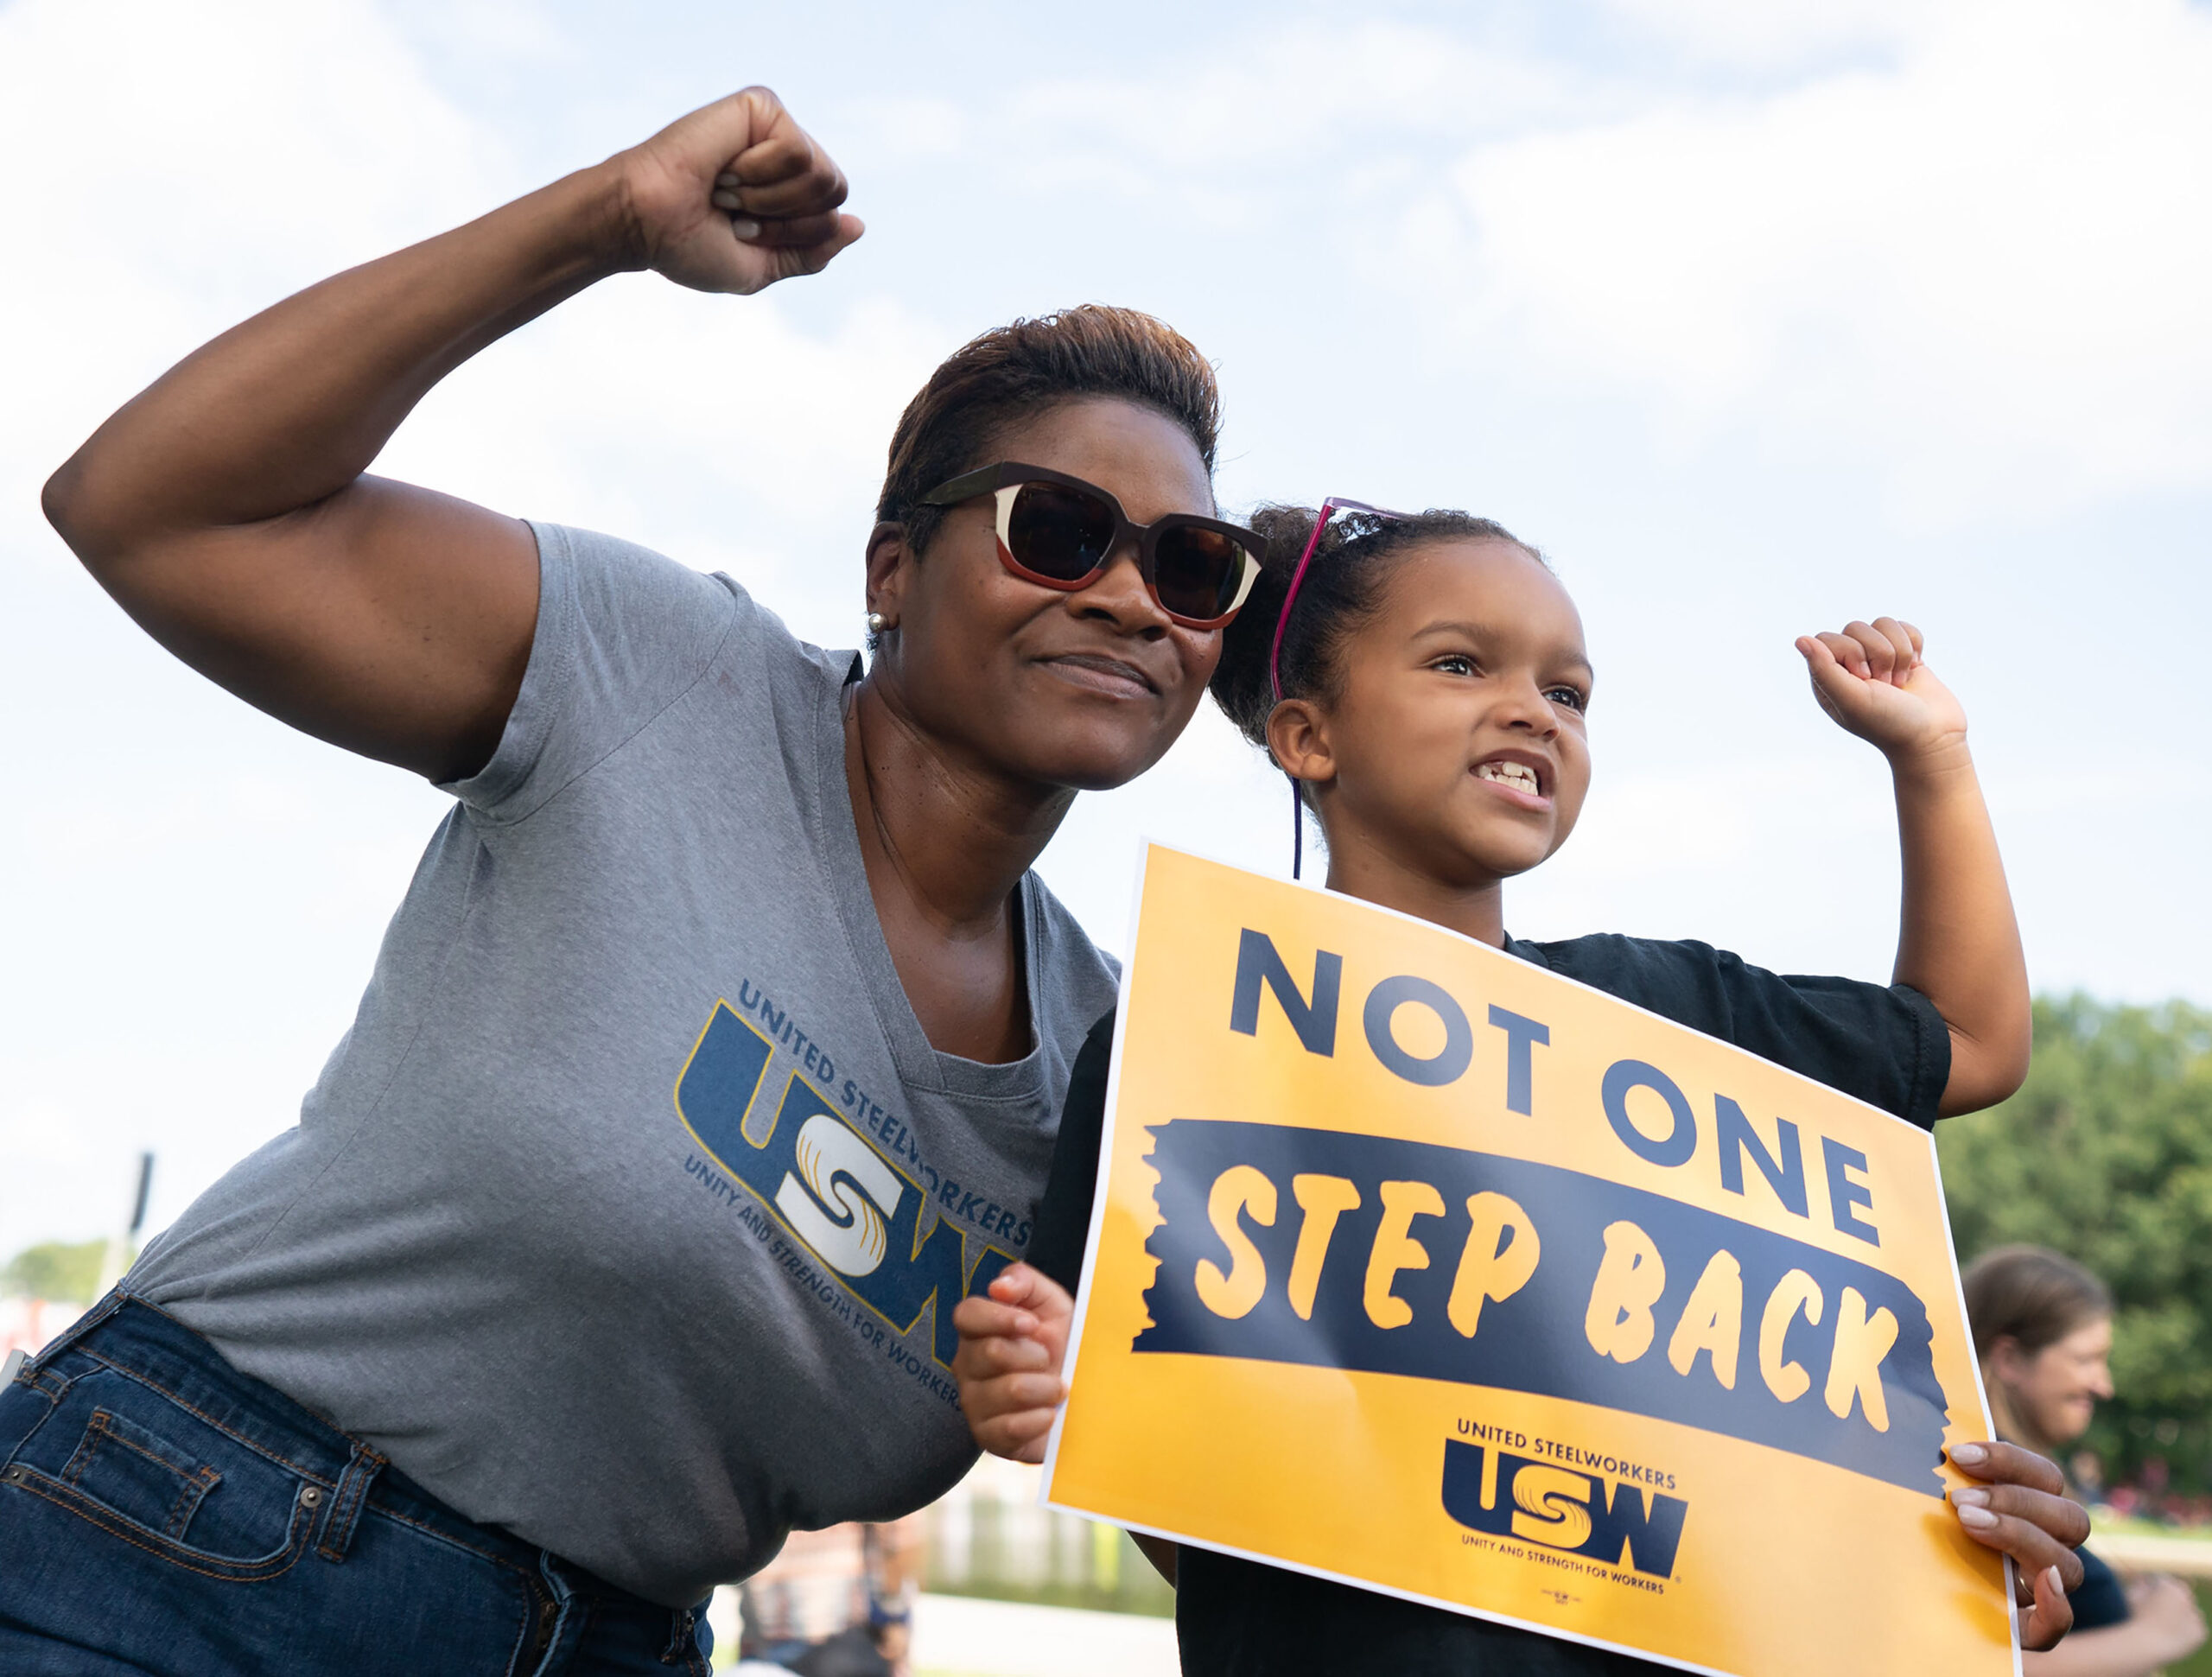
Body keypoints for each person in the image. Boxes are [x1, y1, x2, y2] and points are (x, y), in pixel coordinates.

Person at [3, 88, 1269, 1676]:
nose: (1133, 599)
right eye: (1060, 530)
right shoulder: (662, 676)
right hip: (199, 1552)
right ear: (893, 569)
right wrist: (600, 221)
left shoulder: (1118, 1071)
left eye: (1192, 567)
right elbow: (153, 508)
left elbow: (1231, 1498)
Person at [953, 505, 2094, 1672]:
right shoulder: (1179, 1039)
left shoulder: (1669, 1014)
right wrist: (1034, 1389)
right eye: (1459, 662)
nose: (1532, 710)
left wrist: (1931, 754)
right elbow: (1159, 1484)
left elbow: (1975, 1041)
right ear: (1307, 736)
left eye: (1571, 692)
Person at [1966, 1246, 2209, 1675]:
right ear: (2009, 1359)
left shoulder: (2025, 1484)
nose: (2105, 1386)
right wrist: (2152, 1635)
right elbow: (1968, 1660)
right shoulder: (1982, 1480)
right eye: (2087, 1359)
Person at [732, 1517, 923, 1677]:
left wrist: (892, 1615)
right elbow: (897, 1537)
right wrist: (894, 1615)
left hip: (835, 1645)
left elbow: (897, 1537)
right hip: (829, 1645)